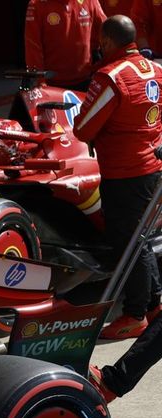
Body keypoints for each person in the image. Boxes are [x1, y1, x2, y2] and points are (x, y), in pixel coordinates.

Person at [74, 14, 162, 339]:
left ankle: (135, 313)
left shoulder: (111, 76)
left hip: (124, 173)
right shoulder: (155, 69)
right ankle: (152, 305)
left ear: (108, 41)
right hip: (151, 168)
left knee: (129, 243)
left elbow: (82, 128)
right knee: (140, 239)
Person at [25, 0, 106, 89]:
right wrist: (40, 82)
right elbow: (33, 47)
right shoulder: (37, 4)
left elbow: (108, 32)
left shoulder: (90, 1)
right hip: (51, 84)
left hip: (85, 79)